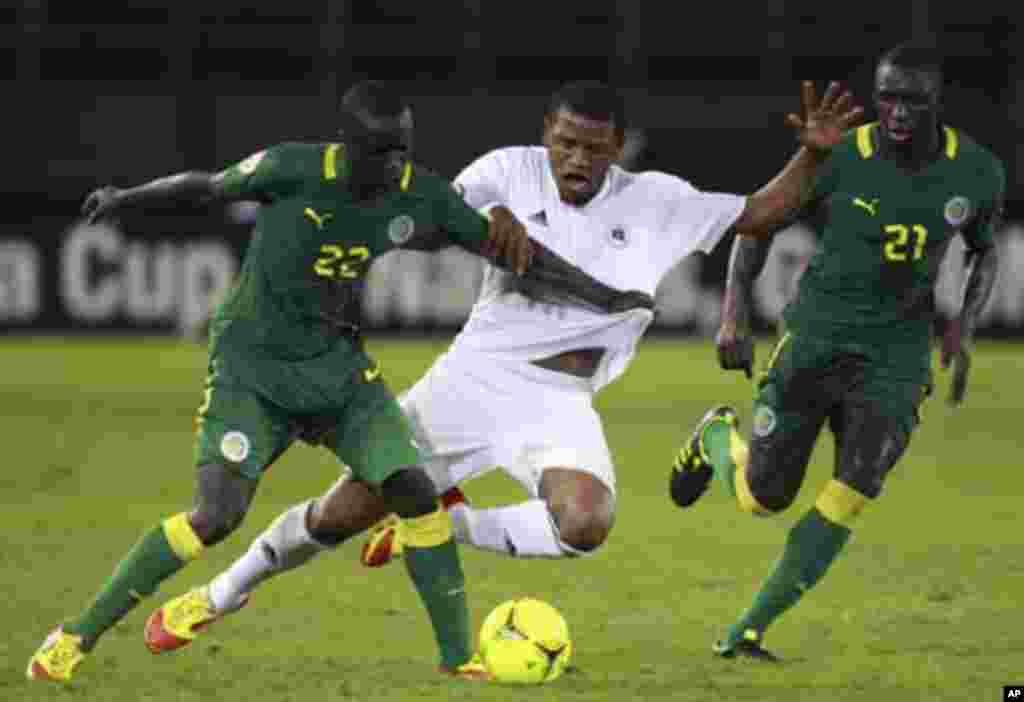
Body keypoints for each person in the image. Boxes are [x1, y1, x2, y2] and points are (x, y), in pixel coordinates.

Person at [139, 78, 862, 652]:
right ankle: (222, 592)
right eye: (565, 143)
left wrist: (816, 154)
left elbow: (763, 212)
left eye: (594, 148)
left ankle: (448, 525)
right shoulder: (505, 172)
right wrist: (487, 224)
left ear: (618, 149)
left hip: (561, 402)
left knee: (585, 524)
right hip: (475, 381)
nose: (577, 160)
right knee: (339, 513)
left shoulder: (657, 202)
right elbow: (419, 221)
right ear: (547, 134)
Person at [27, 80, 591, 683]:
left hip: (338, 373)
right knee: (214, 517)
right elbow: (206, 187)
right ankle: (75, 635)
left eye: (402, 149)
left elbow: (508, 250)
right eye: (381, 151)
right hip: (253, 370)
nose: (394, 164)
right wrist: (125, 198)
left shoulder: (416, 194)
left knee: (415, 492)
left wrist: (604, 295)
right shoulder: (292, 167)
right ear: (348, 145)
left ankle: (459, 661)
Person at [670, 42, 1005, 661]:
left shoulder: (978, 171)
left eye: (912, 100)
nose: (898, 112)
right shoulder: (840, 155)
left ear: (937, 101)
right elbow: (758, 225)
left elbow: (986, 249)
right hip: (816, 339)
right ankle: (719, 439)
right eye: (887, 98)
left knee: (860, 481)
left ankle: (747, 628)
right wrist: (733, 315)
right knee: (763, 497)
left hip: (896, 354)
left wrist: (965, 323)